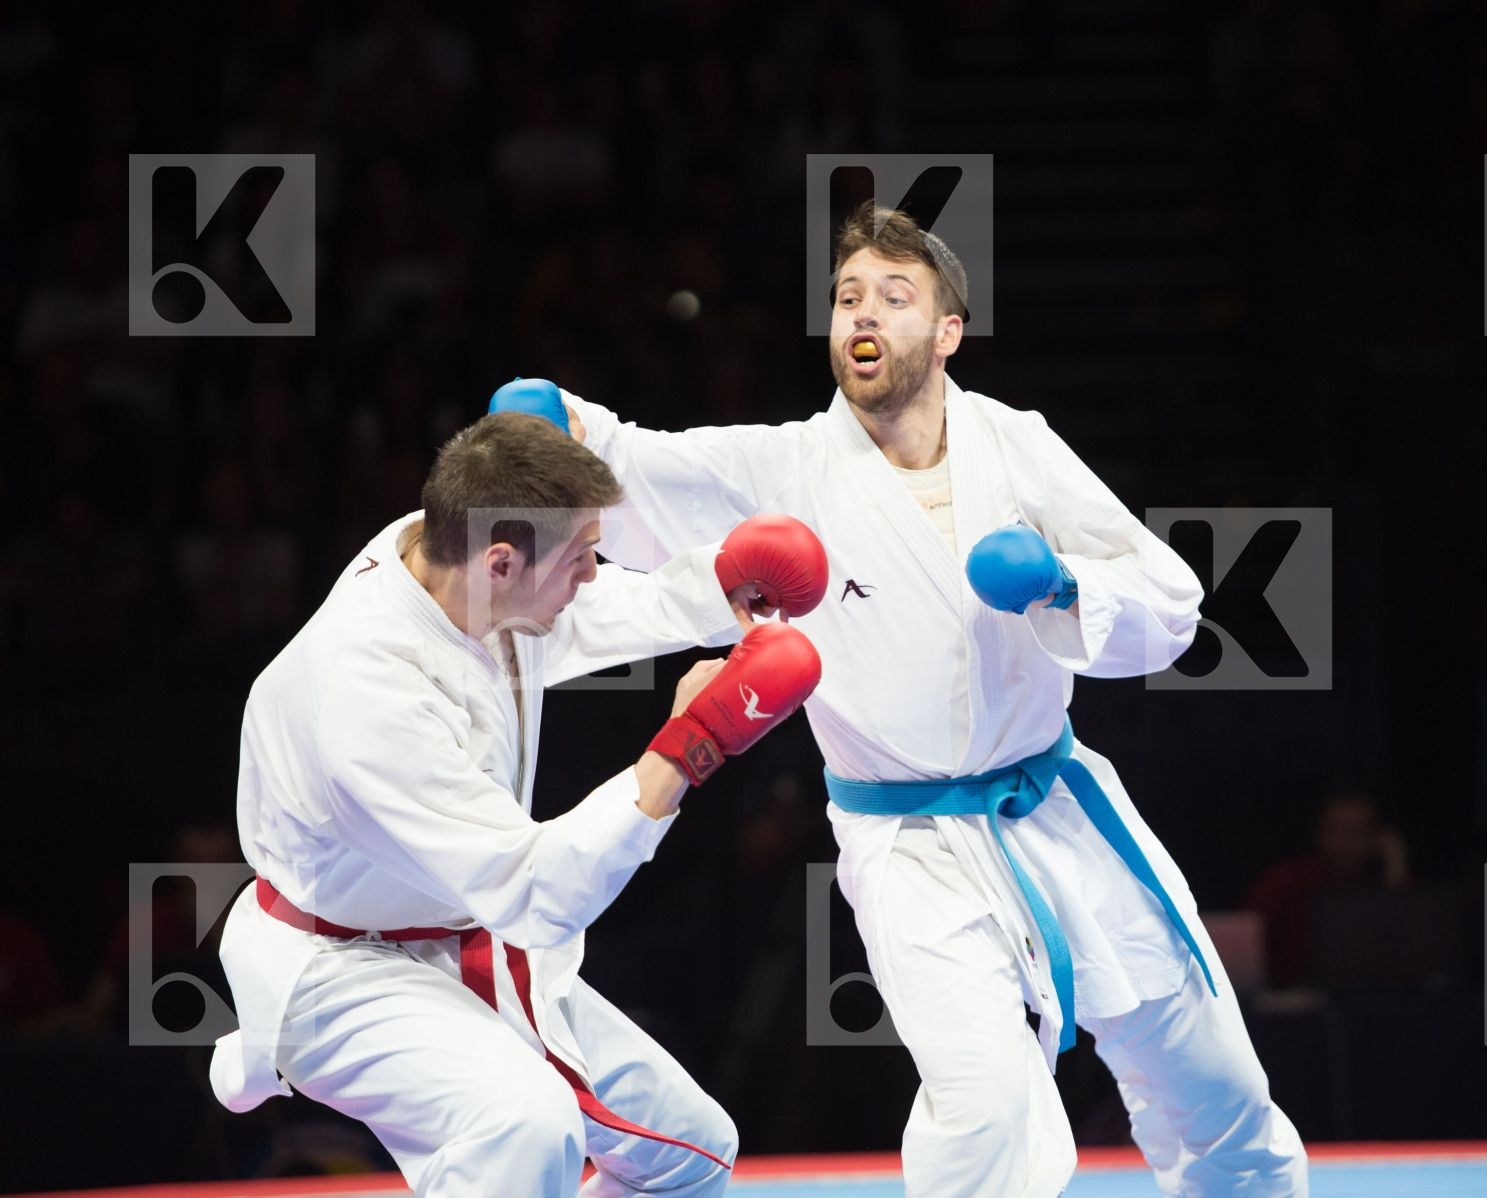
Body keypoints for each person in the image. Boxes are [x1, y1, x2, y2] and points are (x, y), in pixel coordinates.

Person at [499, 203, 1307, 1196]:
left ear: (947, 331)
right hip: (909, 845)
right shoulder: (790, 466)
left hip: (1057, 806)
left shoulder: (1017, 445)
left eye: (893, 296)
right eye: (846, 298)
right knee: (982, 1113)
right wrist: (562, 427)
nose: (862, 315)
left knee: (1210, 1072)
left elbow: (1171, 601)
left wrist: (1064, 583)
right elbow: (649, 465)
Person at [209, 410, 824, 1198]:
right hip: (341, 965)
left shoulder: (451, 558)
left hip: (462, 934)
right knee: (524, 1122)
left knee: (693, 1152)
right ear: (500, 562)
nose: (595, 572)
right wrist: (687, 747)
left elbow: (574, 611)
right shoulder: (366, 694)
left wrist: (718, 583)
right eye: (583, 555)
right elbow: (539, 895)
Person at [1242, 793, 1409, 988]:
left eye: (1358, 832)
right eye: (1337, 831)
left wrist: (1397, 869)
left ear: (1377, 837)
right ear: (1319, 833)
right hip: (1296, 1003)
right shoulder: (1288, 881)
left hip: (1373, 999)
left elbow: (1410, 952)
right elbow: (1243, 937)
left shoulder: (1386, 883)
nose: (1347, 842)